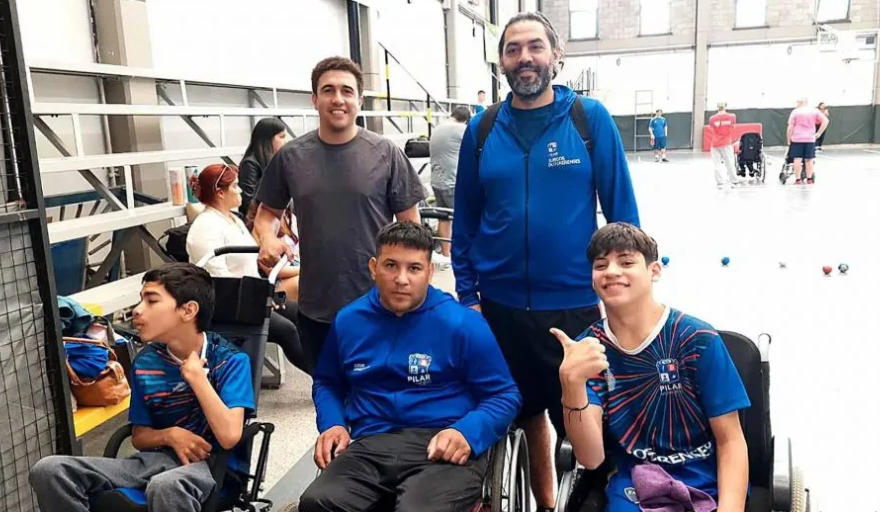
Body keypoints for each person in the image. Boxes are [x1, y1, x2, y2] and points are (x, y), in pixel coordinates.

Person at [452, 12, 639, 512]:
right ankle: (547, 504)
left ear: (557, 56)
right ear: (501, 62)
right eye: (513, 49)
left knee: (585, 419)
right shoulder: (482, 130)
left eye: (535, 46)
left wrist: (626, 294)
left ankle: (594, 497)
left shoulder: (588, 120)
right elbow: (465, 222)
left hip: (575, 307)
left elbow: (623, 215)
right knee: (524, 413)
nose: (525, 58)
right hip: (500, 309)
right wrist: (468, 297)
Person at [298, 222, 521, 512]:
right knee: (317, 503)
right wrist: (333, 423)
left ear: (429, 272)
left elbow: (504, 395)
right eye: (391, 265)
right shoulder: (349, 321)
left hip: (443, 442)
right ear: (374, 267)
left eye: (414, 268)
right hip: (372, 443)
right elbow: (328, 382)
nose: (401, 279)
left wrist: (467, 432)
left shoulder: (463, 324)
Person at [555, 222, 750, 512]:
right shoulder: (589, 350)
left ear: (654, 271)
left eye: (626, 262)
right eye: (601, 265)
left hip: (705, 479)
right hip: (634, 485)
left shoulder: (697, 339)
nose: (611, 271)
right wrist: (571, 385)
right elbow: (591, 457)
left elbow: (731, 441)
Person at [29, 263, 255, 512]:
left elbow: (229, 436)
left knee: (165, 486)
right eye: (140, 300)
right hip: (150, 463)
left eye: (151, 301)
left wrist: (197, 379)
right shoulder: (145, 363)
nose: (137, 310)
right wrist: (170, 435)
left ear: (188, 310)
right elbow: (139, 436)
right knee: (49, 470)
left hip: (211, 468)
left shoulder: (230, 361)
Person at [253, 56, 427, 374]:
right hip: (316, 307)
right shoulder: (291, 156)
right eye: (328, 90)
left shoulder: (386, 153)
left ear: (359, 100)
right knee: (328, 394)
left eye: (347, 91)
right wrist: (267, 238)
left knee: (380, 394)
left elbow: (412, 228)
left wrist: (413, 292)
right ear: (314, 99)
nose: (337, 99)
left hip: (379, 304)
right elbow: (267, 214)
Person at [186, 164, 306, 372]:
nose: (241, 190)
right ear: (220, 192)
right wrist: (258, 300)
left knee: (301, 315)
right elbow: (218, 278)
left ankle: (329, 371)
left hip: (248, 297)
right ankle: (324, 379)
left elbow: (250, 267)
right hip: (228, 304)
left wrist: (263, 296)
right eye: (235, 186)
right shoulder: (205, 227)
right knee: (286, 330)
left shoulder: (234, 220)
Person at [429, 106, 470, 260]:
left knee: (443, 218)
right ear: (465, 120)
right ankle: (461, 255)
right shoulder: (460, 129)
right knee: (461, 220)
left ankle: (447, 254)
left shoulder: (437, 128)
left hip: (437, 181)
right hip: (452, 182)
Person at [238, 117, 291, 218]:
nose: (285, 141)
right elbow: (247, 201)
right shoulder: (250, 164)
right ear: (268, 139)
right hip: (260, 220)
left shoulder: (278, 161)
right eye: (282, 137)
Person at [787, 97, 828, 185]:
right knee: (809, 159)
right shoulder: (814, 111)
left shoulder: (795, 112)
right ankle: (809, 179)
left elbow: (790, 127)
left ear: (800, 103)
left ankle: (798, 180)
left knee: (797, 159)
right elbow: (825, 121)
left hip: (797, 139)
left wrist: (788, 138)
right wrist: (818, 134)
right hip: (810, 138)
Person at [708, 102, 742, 189]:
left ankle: (720, 183)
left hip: (715, 144)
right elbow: (733, 127)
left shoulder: (712, 118)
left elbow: (713, 129)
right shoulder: (732, 117)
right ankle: (734, 181)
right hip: (726, 143)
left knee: (717, 164)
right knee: (730, 162)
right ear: (725, 106)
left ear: (717, 107)